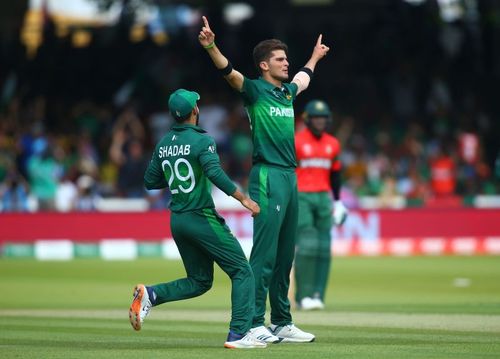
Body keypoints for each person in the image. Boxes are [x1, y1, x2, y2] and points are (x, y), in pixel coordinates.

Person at [198, 16, 329, 343]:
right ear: (264, 65)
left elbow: (304, 78)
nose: (287, 63)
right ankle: (256, 321)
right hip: (268, 175)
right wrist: (211, 45)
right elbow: (229, 73)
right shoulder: (255, 91)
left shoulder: (286, 93)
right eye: (280, 60)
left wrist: (314, 57)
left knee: (286, 254)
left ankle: (282, 321)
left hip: (290, 177)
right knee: (265, 254)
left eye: (287, 58)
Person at [129, 89, 266, 349]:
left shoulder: (164, 142)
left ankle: (152, 294)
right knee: (242, 271)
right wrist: (244, 199)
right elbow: (215, 172)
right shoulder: (203, 141)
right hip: (201, 216)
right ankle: (239, 334)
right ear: (194, 111)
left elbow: (149, 181)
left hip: (178, 220)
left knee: (200, 281)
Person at [293, 100, 348, 310]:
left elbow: (335, 174)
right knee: (307, 246)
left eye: (323, 118)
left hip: (324, 197)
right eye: (316, 118)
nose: (319, 121)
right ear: (307, 119)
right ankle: (303, 296)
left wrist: (339, 202)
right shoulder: (297, 141)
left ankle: (318, 295)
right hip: (302, 196)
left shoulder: (332, 143)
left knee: (324, 247)